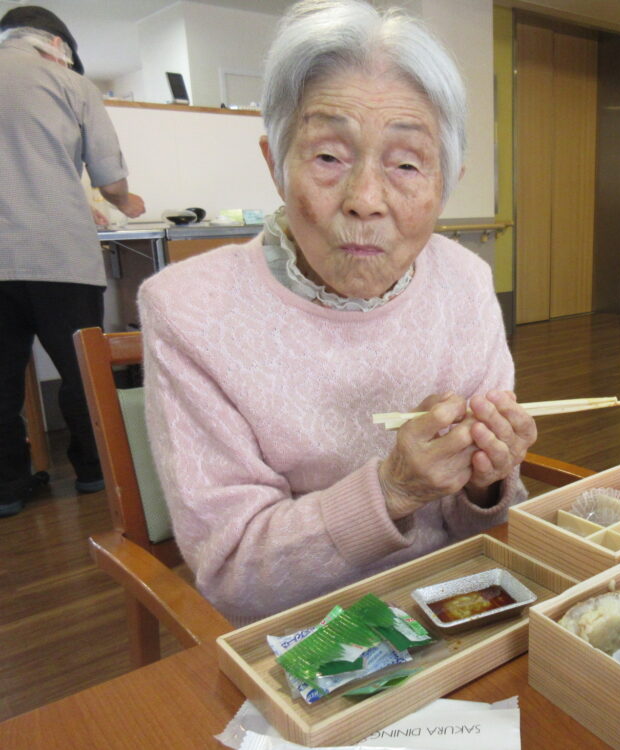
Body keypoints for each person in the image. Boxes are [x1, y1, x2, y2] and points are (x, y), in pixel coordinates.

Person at [138, 0, 537, 626]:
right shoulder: (189, 310)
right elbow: (233, 574)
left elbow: (488, 522)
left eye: (406, 164)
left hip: (456, 610)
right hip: (302, 635)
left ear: (447, 179)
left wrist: (488, 480)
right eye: (328, 157)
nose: (366, 201)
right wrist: (394, 490)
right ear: (276, 163)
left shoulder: (465, 281)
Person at [0, 6, 146, 518]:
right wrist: (126, 202)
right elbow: (108, 177)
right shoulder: (69, 82)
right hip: (58, 254)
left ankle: (8, 489)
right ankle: (92, 472)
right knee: (83, 370)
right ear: (59, 43)